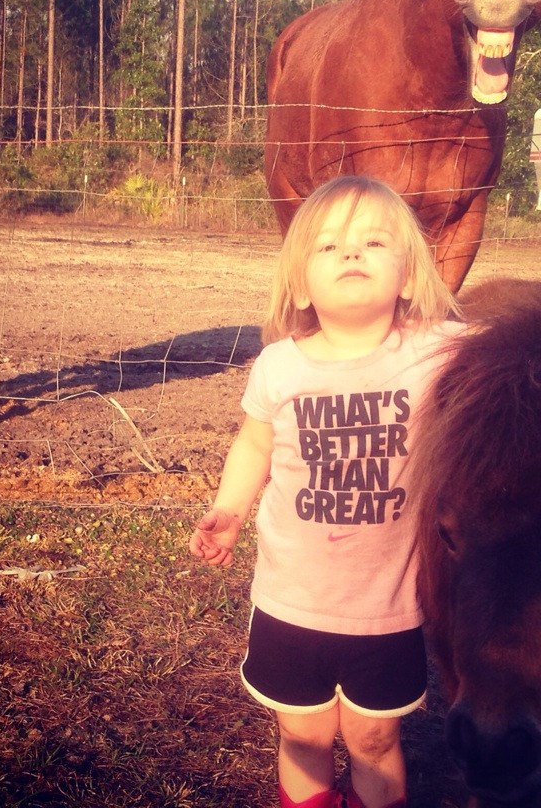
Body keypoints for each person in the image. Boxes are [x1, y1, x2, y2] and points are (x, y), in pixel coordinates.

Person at [189, 176, 461, 808]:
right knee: (303, 732)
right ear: (299, 283)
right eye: (329, 246)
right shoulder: (280, 367)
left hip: (389, 604)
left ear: (412, 277)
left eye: (373, 241)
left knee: (371, 738)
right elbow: (255, 445)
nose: (351, 254)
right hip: (293, 600)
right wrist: (229, 510)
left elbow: (518, 362)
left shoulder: (440, 355)